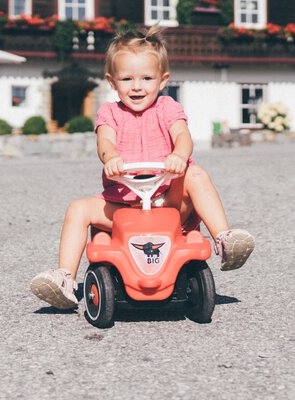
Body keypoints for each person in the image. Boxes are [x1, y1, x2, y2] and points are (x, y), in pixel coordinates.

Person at [29, 27, 256, 310]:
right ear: (112, 82)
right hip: (123, 206)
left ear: (163, 80)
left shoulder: (168, 108)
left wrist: (179, 155)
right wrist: (110, 155)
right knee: (78, 208)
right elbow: (104, 140)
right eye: (127, 79)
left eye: (147, 78)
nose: (137, 86)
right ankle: (65, 278)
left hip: (167, 203)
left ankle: (224, 239)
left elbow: (183, 135)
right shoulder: (109, 113)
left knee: (195, 174)